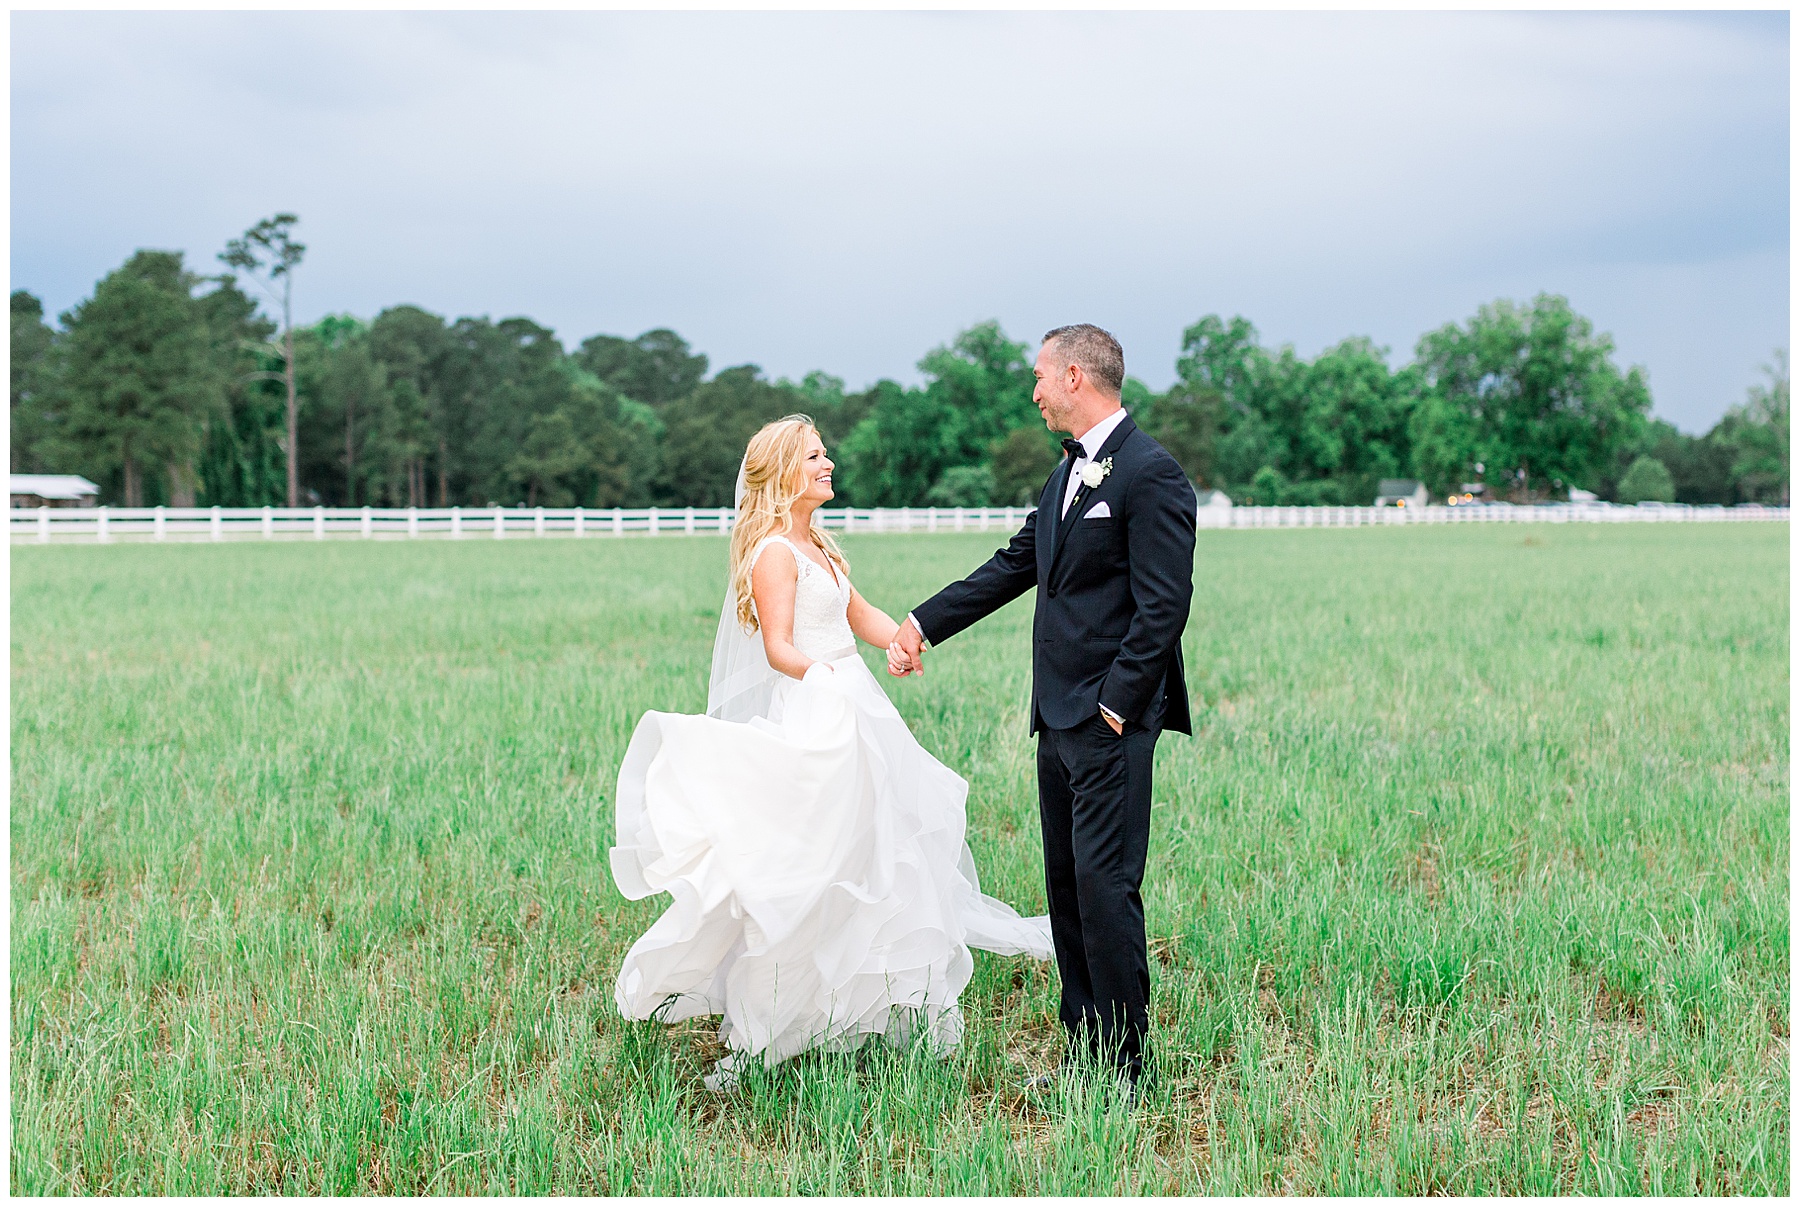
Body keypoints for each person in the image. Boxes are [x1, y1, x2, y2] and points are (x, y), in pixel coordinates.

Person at [610, 415, 1053, 1093]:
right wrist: (825, 678)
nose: (829, 463)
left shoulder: (818, 543)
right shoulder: (772, 554)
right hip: (819, 713)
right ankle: (773, 1024)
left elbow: (862, 615)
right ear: (785, 470)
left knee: (877, 854)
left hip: (857, 708)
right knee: (818, 865)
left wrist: (906, 642)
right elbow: (780, 646)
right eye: (815, 456)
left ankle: (862, 1010)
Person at [888, 324, 1196, 1101]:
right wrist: (924, 622)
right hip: (1054, 721)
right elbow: (1014, 565)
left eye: (1037, 377)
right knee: (1065, 887)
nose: (1032, 393)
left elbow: (1164, 608)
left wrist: (1117, 709)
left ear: (1072, 377)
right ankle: (1082, 1053)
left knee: (1105, 888)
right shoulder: (1064, 477)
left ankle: (1125, 1071)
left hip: (1106, 720)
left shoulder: (1152, 475)